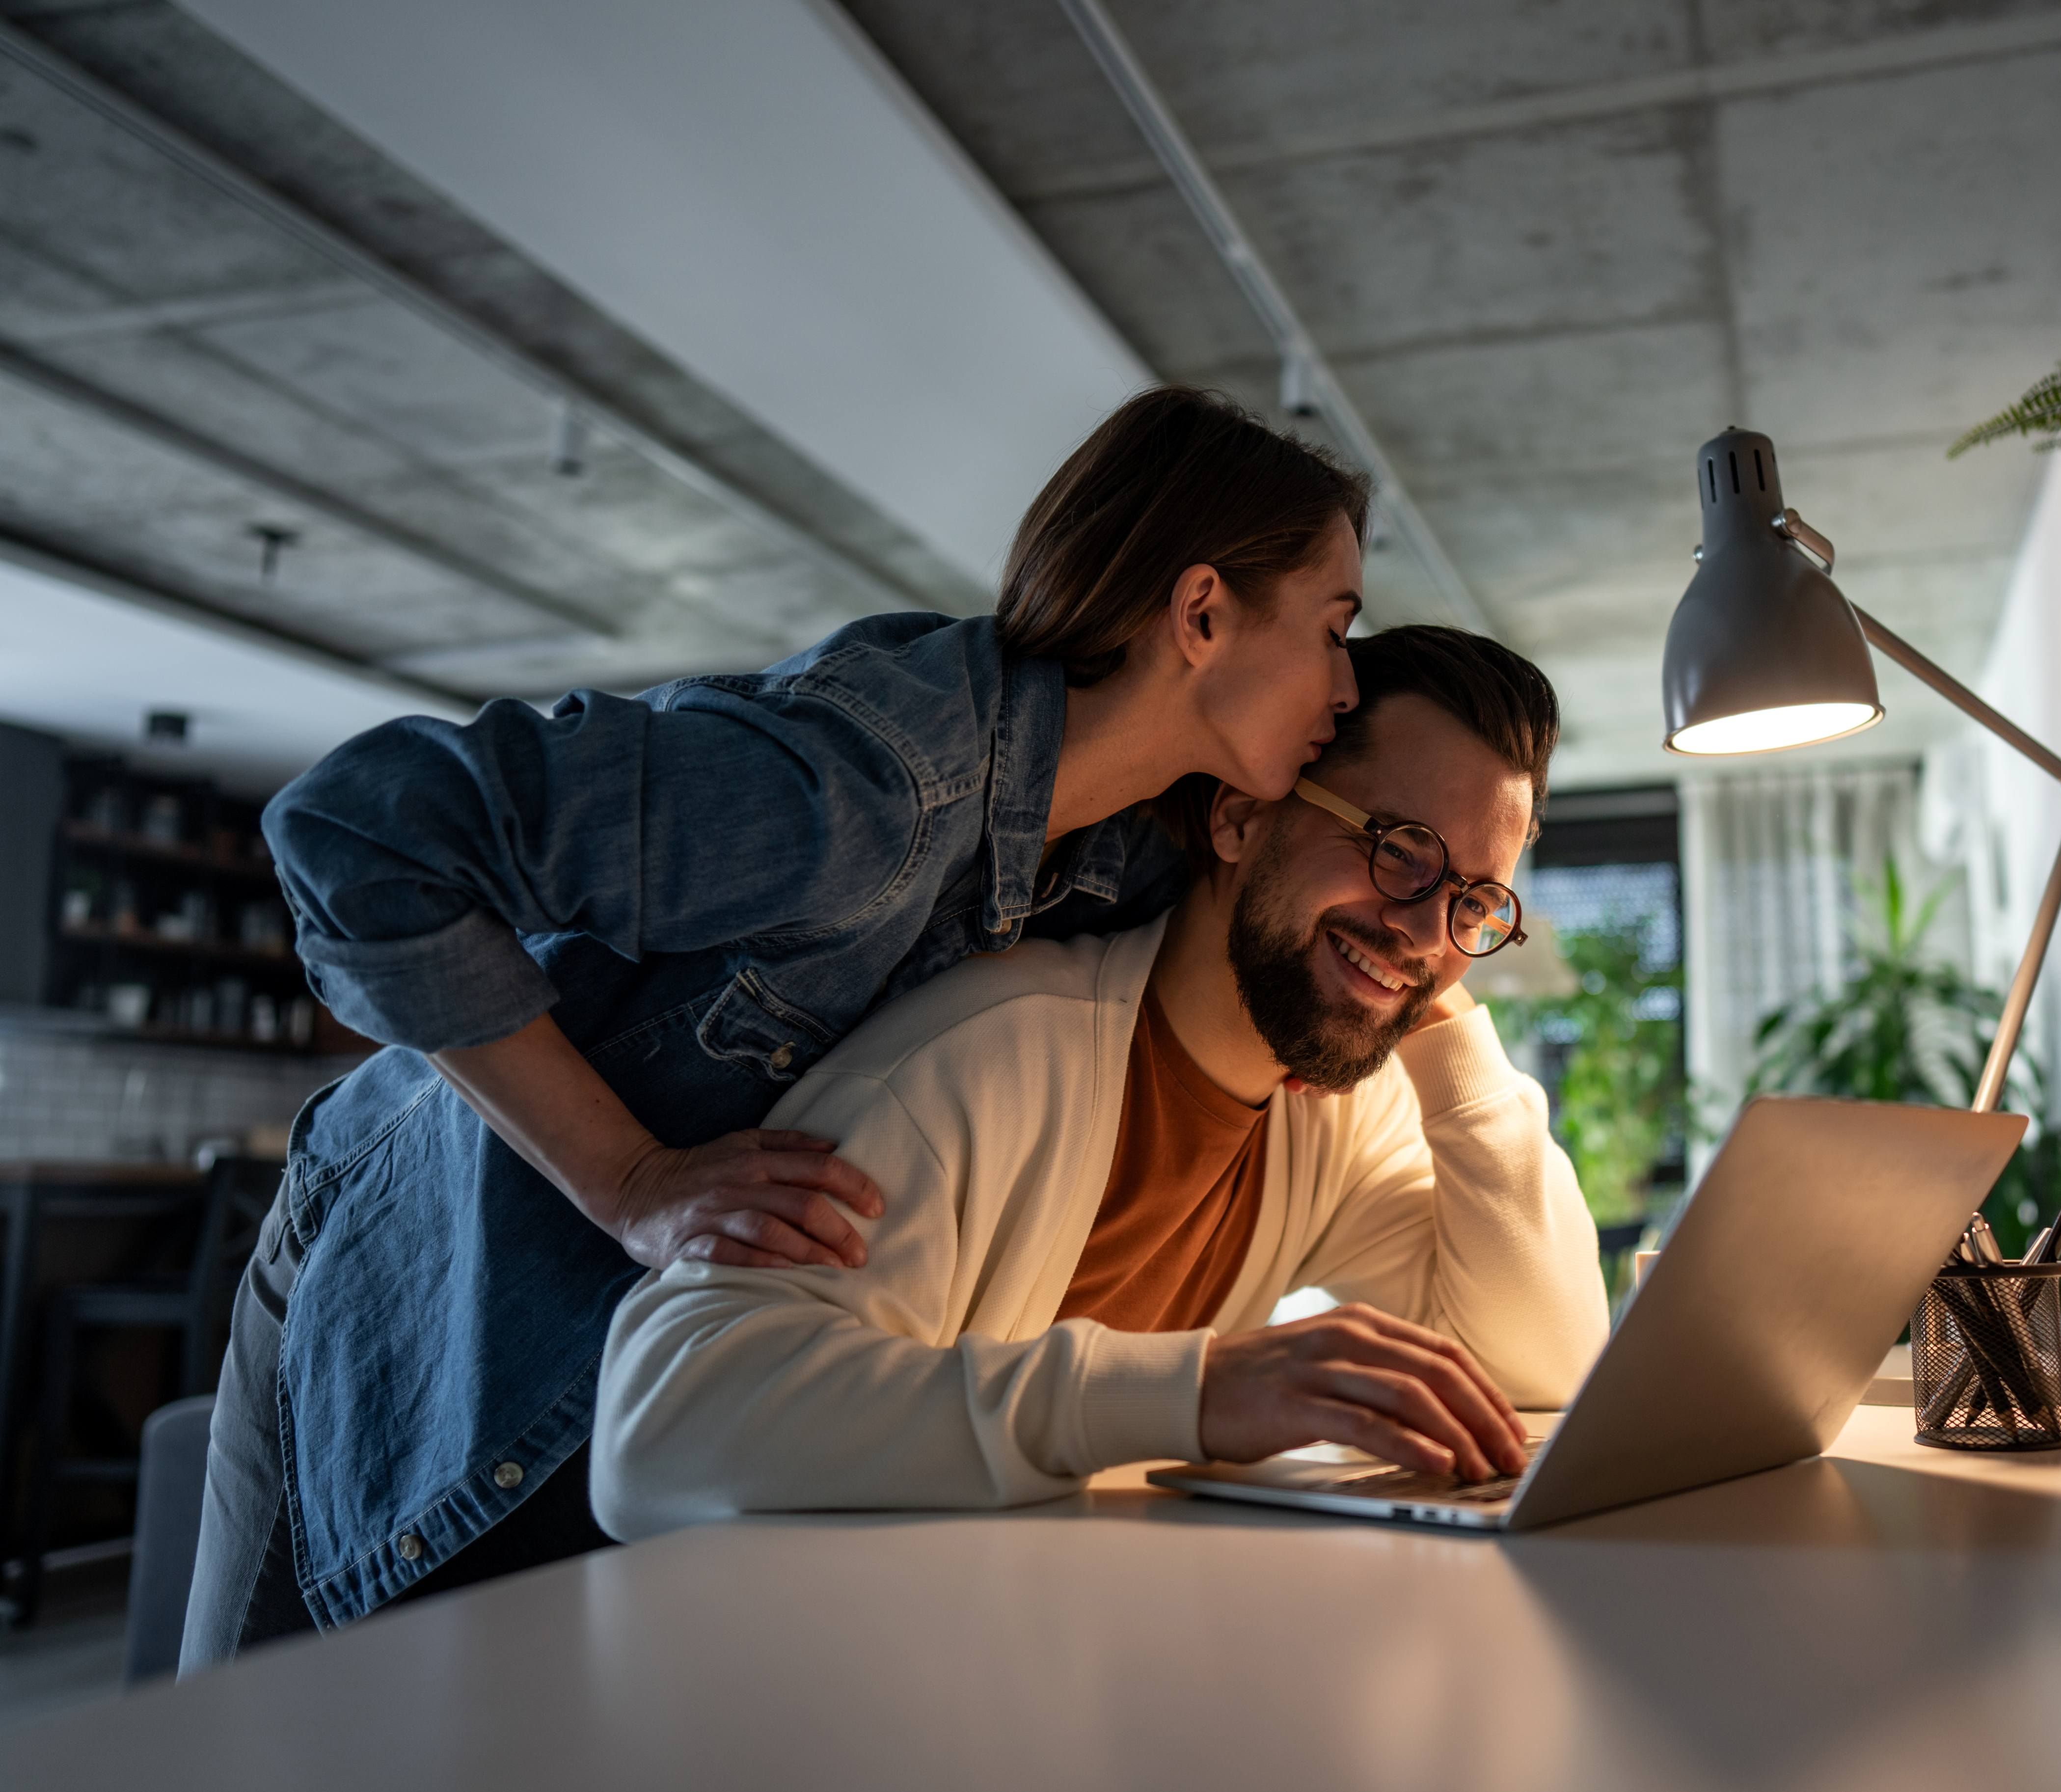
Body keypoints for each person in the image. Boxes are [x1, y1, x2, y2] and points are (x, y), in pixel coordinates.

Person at [183, 389, 1372, 1667]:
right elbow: (352, 832)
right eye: (1335, 626)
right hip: (412, 1264)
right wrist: (631, 1179)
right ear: (1202, 614)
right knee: (244, 1750)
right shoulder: (858, 791)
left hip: (633, 1346)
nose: (1349, 684)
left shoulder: (1121, 852)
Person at [591, 627, 1607, 1532]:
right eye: (1401, 850)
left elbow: (1545, 1366)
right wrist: (1191, 1394)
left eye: (1476, 904)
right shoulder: (993, 1060)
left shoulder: (1340, 1127)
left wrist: (1440, 1023)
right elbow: (658, 1437)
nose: (1429, 928)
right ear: (1242, 817)